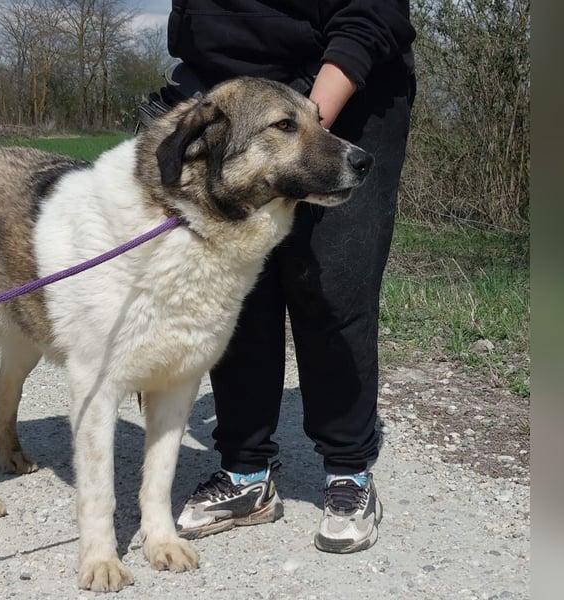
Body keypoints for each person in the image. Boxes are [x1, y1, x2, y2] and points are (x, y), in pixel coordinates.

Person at [165, 0, 417, 554]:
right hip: (230, 106)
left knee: (332, 284)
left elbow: (371, 15)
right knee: (236, 292)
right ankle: (247, 473)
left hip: (346, 85)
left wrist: (295, 127)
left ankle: (348, 470)